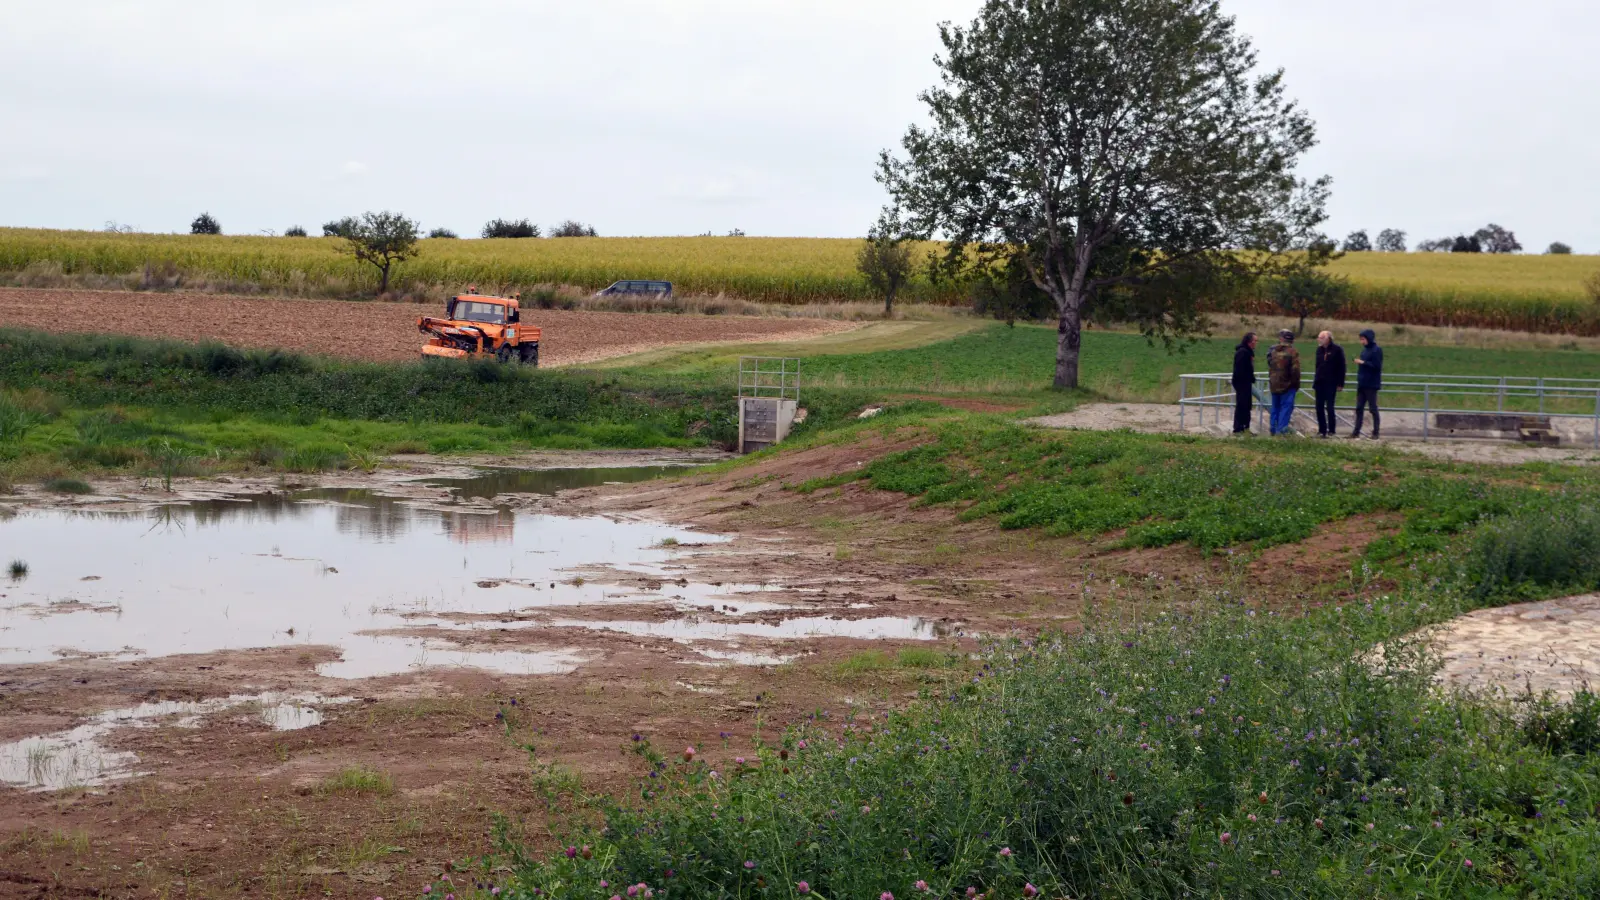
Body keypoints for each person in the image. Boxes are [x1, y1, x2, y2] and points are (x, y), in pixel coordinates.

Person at [1267, 329, 1301, 436]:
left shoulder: (1273, 351)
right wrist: (1295, 384)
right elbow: (1295, 370)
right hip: (1287, 385)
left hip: (1274, 384)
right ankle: (1281, 431)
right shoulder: (1292, 352)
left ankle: (1273, 429)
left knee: (1275, 407)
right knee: (1285, 409)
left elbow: (1270, 364)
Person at [1312, 331, 1347, 438]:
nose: (1319, 339)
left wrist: (1340, 383)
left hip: (1331, 382)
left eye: (1321, 337)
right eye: (1318, 337)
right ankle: (1322, 430)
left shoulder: (1337, 350)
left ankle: (1331, 430)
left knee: (1330, 407)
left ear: (1328, 339)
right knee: (1319, 407)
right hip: (1320, 382)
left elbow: (1342, 367)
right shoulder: (1319, 350)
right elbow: (1317, 366)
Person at [1350, 328, 1383, 440]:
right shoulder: (1364, 351)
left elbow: (1377, 366)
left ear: (1369, 339)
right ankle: (1356, 432)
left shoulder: (1376, 350)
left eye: (1363, 339)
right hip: (1362, 383)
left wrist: (1363, 363)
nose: (1362, 342)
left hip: (1371, 384)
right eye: (1361, 339)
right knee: (1359, 408)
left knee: (1373, 408)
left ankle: (1376, 432)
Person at [1231, 332, 1258, 434]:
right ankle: (1238, 428)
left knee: (1247, 405)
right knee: (1242, 405)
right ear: (1249, 341)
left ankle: (1246, 428)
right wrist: (1245, 379)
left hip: (1246, 382)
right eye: (1255, 340)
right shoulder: (1242, 352)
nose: (1256, 343)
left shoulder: (1248, 352)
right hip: (1241, 383)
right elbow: (1240, 369)